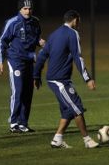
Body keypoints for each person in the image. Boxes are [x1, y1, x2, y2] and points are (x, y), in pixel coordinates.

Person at [33, 10, 99, 149]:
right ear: (75, 20)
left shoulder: (54, 34)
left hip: (56, 79)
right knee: (77, 107)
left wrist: (36, 75)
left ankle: (57, 139)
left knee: (68, 110)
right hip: (59, 80)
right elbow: (78, 57)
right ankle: (87, 140)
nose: (79, 23)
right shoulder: (72, 33)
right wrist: (87, 79)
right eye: (79, 21)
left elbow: (42, 55)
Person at [0, 0, 45, 133]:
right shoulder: (12, 22)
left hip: (30, 61)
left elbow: (35, 38)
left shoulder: (35, 22)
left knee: (28, 93)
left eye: (30, 8)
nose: (28, 11)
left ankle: (23, 123)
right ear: (20, 9)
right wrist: (0, 61)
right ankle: (13, 123)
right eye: (25, 8)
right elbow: (1, 42)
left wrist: (39, 41)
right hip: (15, 60)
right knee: (18, 91)